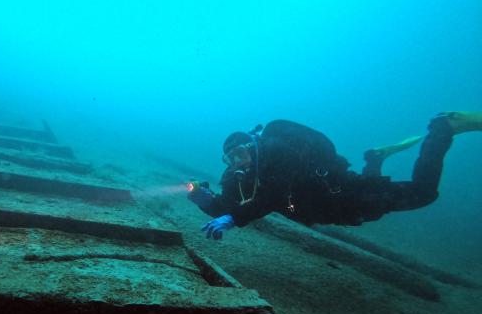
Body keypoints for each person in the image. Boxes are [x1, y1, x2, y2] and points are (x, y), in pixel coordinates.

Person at [188, 111, 482, 240]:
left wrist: (234, 218)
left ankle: (443, 127)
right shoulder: (238, 178)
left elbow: (273, 195)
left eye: (241, 152)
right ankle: (375, 158)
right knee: (369, 213)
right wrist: (202, 199)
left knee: (423, 193)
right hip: (334, 211)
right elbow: (225, 209)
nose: (238, 161)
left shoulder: (278, 152)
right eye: (231, 158)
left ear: (254, 144)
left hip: (348, 194)